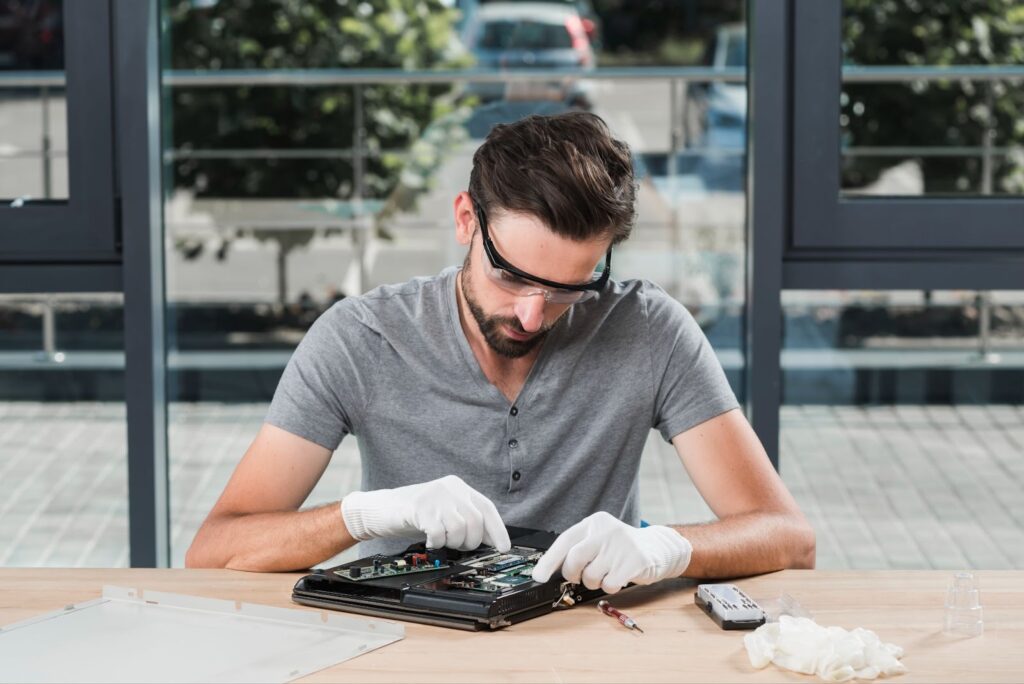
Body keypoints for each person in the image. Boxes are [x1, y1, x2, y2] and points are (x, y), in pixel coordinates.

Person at [186, 112, 815, 593]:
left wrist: (668, 549)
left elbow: (787, 536)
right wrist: (366, 514)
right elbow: (214, 550)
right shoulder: (360, 339)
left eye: (568, 288)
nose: (531, 315)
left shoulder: (649, 329)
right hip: (406, 649)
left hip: (587, 647)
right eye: (510, 276)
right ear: (466, 221)